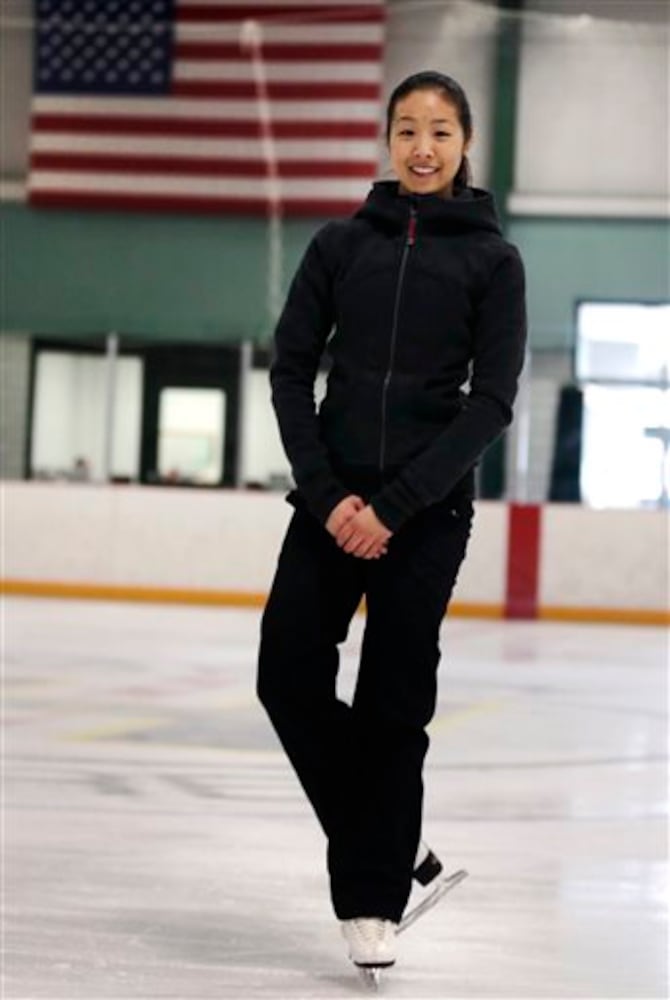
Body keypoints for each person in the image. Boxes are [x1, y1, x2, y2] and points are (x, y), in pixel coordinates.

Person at [257, 70, 527, 973]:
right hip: (330, 502)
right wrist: (329, 495)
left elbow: (491, 401)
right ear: (386, 139)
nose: (422, 147)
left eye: (440, 132)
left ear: (465, 144)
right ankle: (395, 839)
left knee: (392, 703)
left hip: (427, 511)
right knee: (286, 673)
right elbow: (290, 372)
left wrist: (395, 507)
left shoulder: (494, 262)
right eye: (407, 129)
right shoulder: (340, 245)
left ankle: (373, 902)